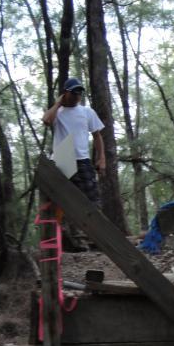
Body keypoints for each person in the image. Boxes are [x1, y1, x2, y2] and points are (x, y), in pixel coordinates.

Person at [43, 77, 106, 250]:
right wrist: (58, 103)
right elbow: (46, 120)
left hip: (83, 160)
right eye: (74, 92)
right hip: (62, 159)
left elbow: (97, 135)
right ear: (66, 93)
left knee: (93, 201)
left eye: (80, 92)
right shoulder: (58, 112)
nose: (77, 95)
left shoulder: (87, 112)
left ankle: (97, 240)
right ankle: (63, 240)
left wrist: (101, 159)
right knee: (58, 201)